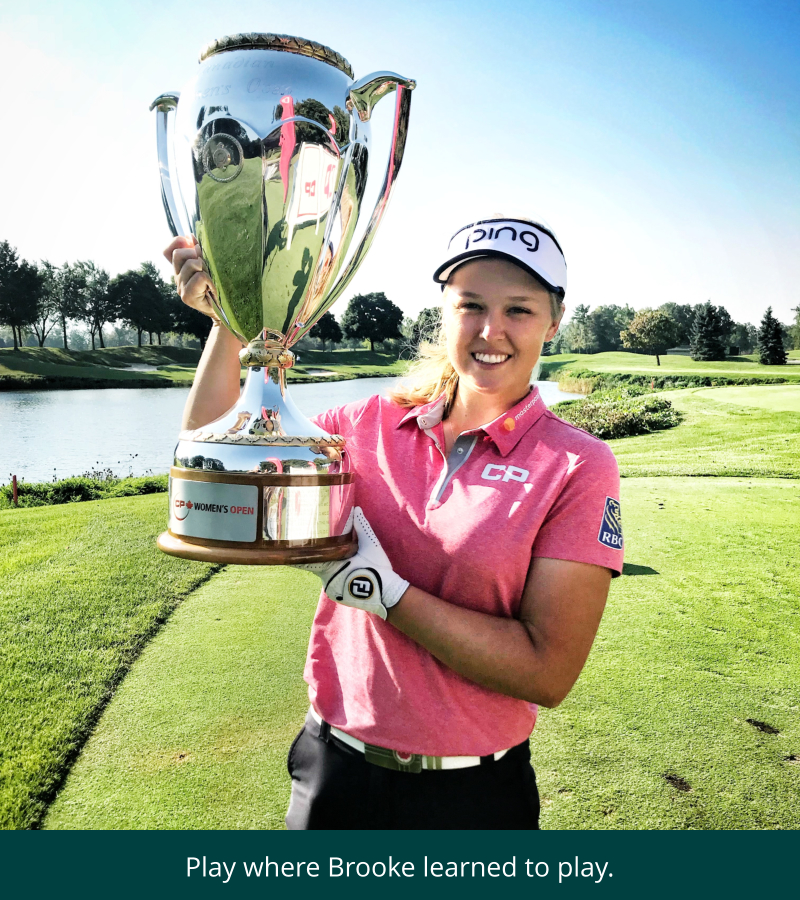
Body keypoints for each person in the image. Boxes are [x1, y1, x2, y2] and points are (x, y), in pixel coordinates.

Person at [166, 215, 624, 830]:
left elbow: (547, 671)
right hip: (334, 770)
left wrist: (386, 595)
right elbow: (216, 457)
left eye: (519, 309)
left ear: (555, 320)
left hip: (473, 798)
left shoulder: (576, 464)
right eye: (471, 305)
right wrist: (229, 322)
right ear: (444, 311)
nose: (491, 331)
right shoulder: (366, 425)